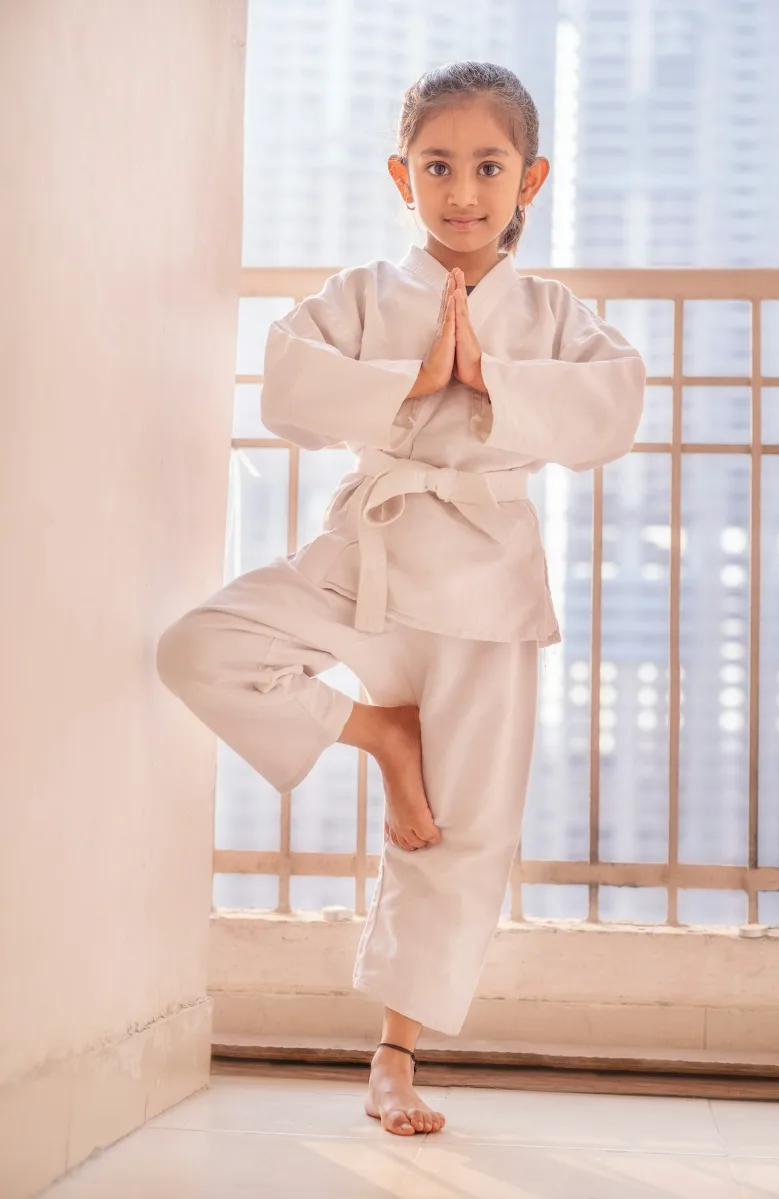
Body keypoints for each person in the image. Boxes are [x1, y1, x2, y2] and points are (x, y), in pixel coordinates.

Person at [156, 60, 646, 1137]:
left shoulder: (555, 312)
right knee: (199, 646)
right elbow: (286, 378)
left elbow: (611, 407)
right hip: (364, 554)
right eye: (437, 165)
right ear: (400, 174)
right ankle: (378, 731)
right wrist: (413, 381)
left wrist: (494, 378)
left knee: (461, 832)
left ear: (532, 179)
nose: (461, 189)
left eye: (487, 166)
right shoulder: (361, 294)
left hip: (483, 581)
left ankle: (394, 1055)